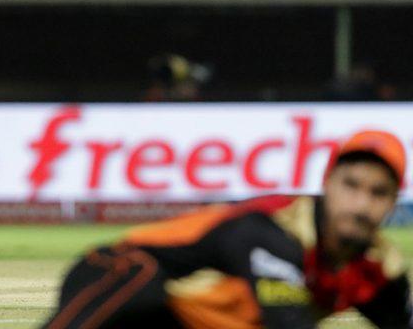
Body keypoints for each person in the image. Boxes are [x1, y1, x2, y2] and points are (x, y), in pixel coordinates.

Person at [42, 130, 412, 329]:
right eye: (351, 185)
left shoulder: (380, 271)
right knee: (142, 280)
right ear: (326, 183)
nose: (360, 204)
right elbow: (287, 323)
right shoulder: (273, 232)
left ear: (393, 202)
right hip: (117, 275)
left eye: (378, 193)